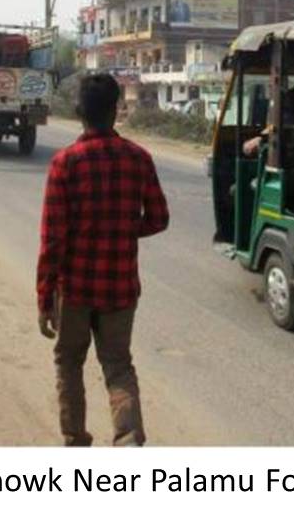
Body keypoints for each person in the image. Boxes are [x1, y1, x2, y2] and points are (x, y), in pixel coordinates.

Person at [36, 74, 169, 446]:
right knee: (118, 366)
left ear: (79, 112)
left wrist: (45, 298)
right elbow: (159, 219)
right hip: (120, 288)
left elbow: (52, 241)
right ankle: (128, 442)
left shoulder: (65, 164)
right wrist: (123, 229)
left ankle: (76, 439)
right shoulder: (139, 159)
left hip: (74, 289)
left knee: (69, 362)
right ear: (117, 111)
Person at [242, 85, 294, 157]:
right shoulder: (278, 115)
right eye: (290, 98)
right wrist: (260, 138)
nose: (289, 101)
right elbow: (272, 129)